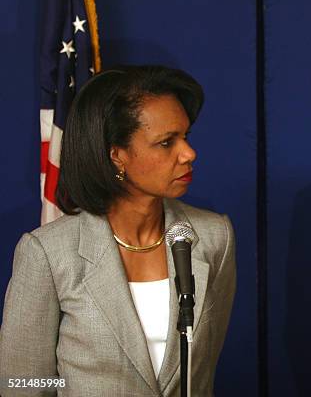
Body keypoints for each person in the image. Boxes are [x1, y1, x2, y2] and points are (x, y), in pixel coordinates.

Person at [0, 66, 236, 396]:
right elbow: (22, 383)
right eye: (166, 142)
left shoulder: (213, 237)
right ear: (116, 156)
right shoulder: (49, 252)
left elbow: (203, 372)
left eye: (186, 137)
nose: (189, 153)